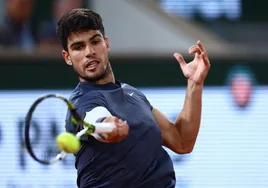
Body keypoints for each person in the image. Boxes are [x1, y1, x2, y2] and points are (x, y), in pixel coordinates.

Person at [57, 8, 210, 188]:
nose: (89, 51)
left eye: (95, 42)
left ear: (106, 44)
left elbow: (182, 141)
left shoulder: (132, 93)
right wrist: (110, 127)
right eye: (78, 47)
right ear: (67, 57)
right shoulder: (82, 102)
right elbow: (96, 120)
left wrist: (194, 84)